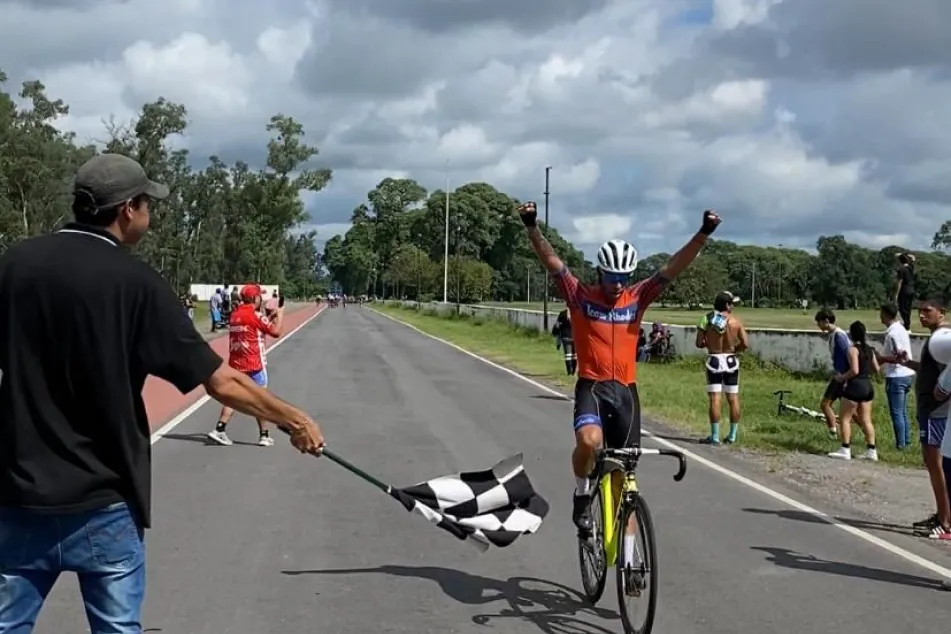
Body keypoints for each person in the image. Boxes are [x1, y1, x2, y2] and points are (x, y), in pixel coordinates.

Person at [0, 153, 326, 633]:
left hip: (19, 495)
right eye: (148, 205)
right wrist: (294, 419)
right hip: (103, 499)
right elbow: (220, 380)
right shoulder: (135, 282)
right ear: (128, 209)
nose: (150, 216)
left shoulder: (14, 264)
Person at [516, 200, 721, 542]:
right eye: (611, 277)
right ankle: (582, 492)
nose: (616, 284)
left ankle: (628, 557)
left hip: (626, 392)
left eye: (623, 277)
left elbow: (673, 267)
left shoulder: (637, 298)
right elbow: (552, 262)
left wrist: (704, 233)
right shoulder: (580, 296)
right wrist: (531, 226)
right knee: (590, 441)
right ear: (600, 273)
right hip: (592, 389)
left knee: (623, 482)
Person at [896, 299, 951, 539]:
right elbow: (932, 372)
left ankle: (946, 521)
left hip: (936, 412)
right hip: (931, 410)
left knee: (936, 465)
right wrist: (906, 362)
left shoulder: (942, 339)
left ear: (942, 313)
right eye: (919, 312)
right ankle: (941, 515)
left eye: (927, 311)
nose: (921, 316)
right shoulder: (936, 340)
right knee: (933, 465)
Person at [208, 283, 283, 447]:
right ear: (255, 298)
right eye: (259, 296)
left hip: (236, 362)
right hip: (254, 362)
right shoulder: (256, 315)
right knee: (261, 399)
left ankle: (220, 428)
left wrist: (268, 318)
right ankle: (264, 435)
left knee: (232, 397)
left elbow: (253, 328)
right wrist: (280, 314)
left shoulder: (235, 315)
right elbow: (276, 332)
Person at [695, 291, 749, 445]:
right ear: (726, 305)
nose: (733, 306)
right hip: (731, 361)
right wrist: (734, 349)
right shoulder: (736, 322)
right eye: (732, 303)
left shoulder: (707, 319)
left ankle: (715, 436)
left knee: (715, 398)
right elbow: (745, 343)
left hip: (714, 360)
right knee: (733, 398)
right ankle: (732, 436)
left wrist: (710, 343)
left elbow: (699, 343)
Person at [827, 321, 878, 461]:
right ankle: (871, 450)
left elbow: (854, 370)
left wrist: (841, 377)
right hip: (868, 386)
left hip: (855, 386)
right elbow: (876, 369)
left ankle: (845, 448)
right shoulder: (870, 349)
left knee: (845, 419)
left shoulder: (853, 349)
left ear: (851, 333)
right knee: (866, 420)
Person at [875, 302, 915, 449]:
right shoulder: (901, 329)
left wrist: (881, 358)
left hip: (897, 375)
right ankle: (906, 442)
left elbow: (899, 356)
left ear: (885, 314)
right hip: (906, 374)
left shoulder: (892, 333)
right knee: (902, 411)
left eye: (881, 314)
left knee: (896, 412)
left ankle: (901, 444)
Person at [815, 308, 850, 439]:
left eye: (819, 322)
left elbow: (848, 355)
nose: (818, 325)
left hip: (842, 377)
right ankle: (867, 434)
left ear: (826, 321)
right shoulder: (834, 335)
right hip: (840, 375)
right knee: (849, 410)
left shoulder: (839, 336)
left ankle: (833, 432)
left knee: (825, 404)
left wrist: (846, 375)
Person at [894, 252, 917, 330]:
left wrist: (896, 294)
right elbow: (913, 257)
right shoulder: (910, 267)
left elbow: (900, 282)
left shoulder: (901, 269)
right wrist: (904, 254)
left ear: (900, 261)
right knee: (908, 309)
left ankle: (906, 326)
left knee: (902, 309)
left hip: (904, 290)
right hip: (911, 290)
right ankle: (907, 325)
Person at [552, 309, 575, 375]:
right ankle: (573, 371)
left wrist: (558, 341)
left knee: (568, 355)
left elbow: (557, 326)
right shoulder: (577, 311)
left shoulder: (562, 313)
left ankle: (569, 372)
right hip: (575, 337)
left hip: (565, 336)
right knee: (574, 355)